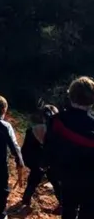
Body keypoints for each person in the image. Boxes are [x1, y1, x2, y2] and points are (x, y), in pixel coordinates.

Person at [44, 76, 94, 219]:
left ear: (70, 95)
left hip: (66, 176)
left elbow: (49, 145)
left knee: (68, 208)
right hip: (90, 180)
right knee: (89, 211)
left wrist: (46, 164)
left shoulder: (56, 120)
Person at [11, 104, 61, 214]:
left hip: (37, 162)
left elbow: (25, 150)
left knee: (32, 182)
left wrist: (30, 163)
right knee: (56, 183)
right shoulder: (59, 132)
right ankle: (62, 204)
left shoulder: (32, 130)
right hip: (52, 162)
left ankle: (26, 202)